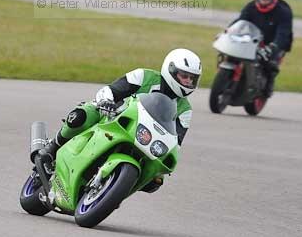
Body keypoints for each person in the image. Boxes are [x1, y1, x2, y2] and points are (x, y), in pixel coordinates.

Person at [38, 48, 202, 193]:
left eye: (192, 79)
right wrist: (106, 101)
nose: (188, 82)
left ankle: (113, 191)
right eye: (184, 76)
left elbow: (176, 141)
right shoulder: (143, 76)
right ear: (170, 69)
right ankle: (53, 148)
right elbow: (111, 90)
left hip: (146, 140)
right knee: (82, 116)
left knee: (155, 181)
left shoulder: (185, 110)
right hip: (114, 118)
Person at [231, 0, 293, 98]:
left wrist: (274, 46)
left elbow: (283, 32)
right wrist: (228, 32)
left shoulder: (283, 12)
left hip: (276, 42)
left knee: (271, 64)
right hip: (254, 38)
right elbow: (240, 21)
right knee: (233, 52)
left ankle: (268, 87)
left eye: (267, 0)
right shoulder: (251, 7)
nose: (263, 2)